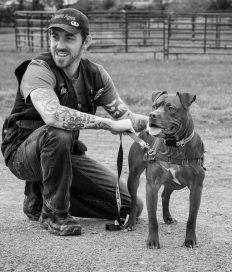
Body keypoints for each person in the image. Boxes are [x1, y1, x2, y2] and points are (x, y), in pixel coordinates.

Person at [1, 8, 148, 236]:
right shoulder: (38, 69)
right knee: (59, 131)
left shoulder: (96, 75)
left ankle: (40, 197)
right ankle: (54, 214)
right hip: (22, 153)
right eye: (54, 37)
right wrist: (108, 124)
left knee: (131, 207)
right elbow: (53, 116)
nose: (59, 45)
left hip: (64, 154)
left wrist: (158, 122)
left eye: (69, 38)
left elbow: (125, 117)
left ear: (86, 41)